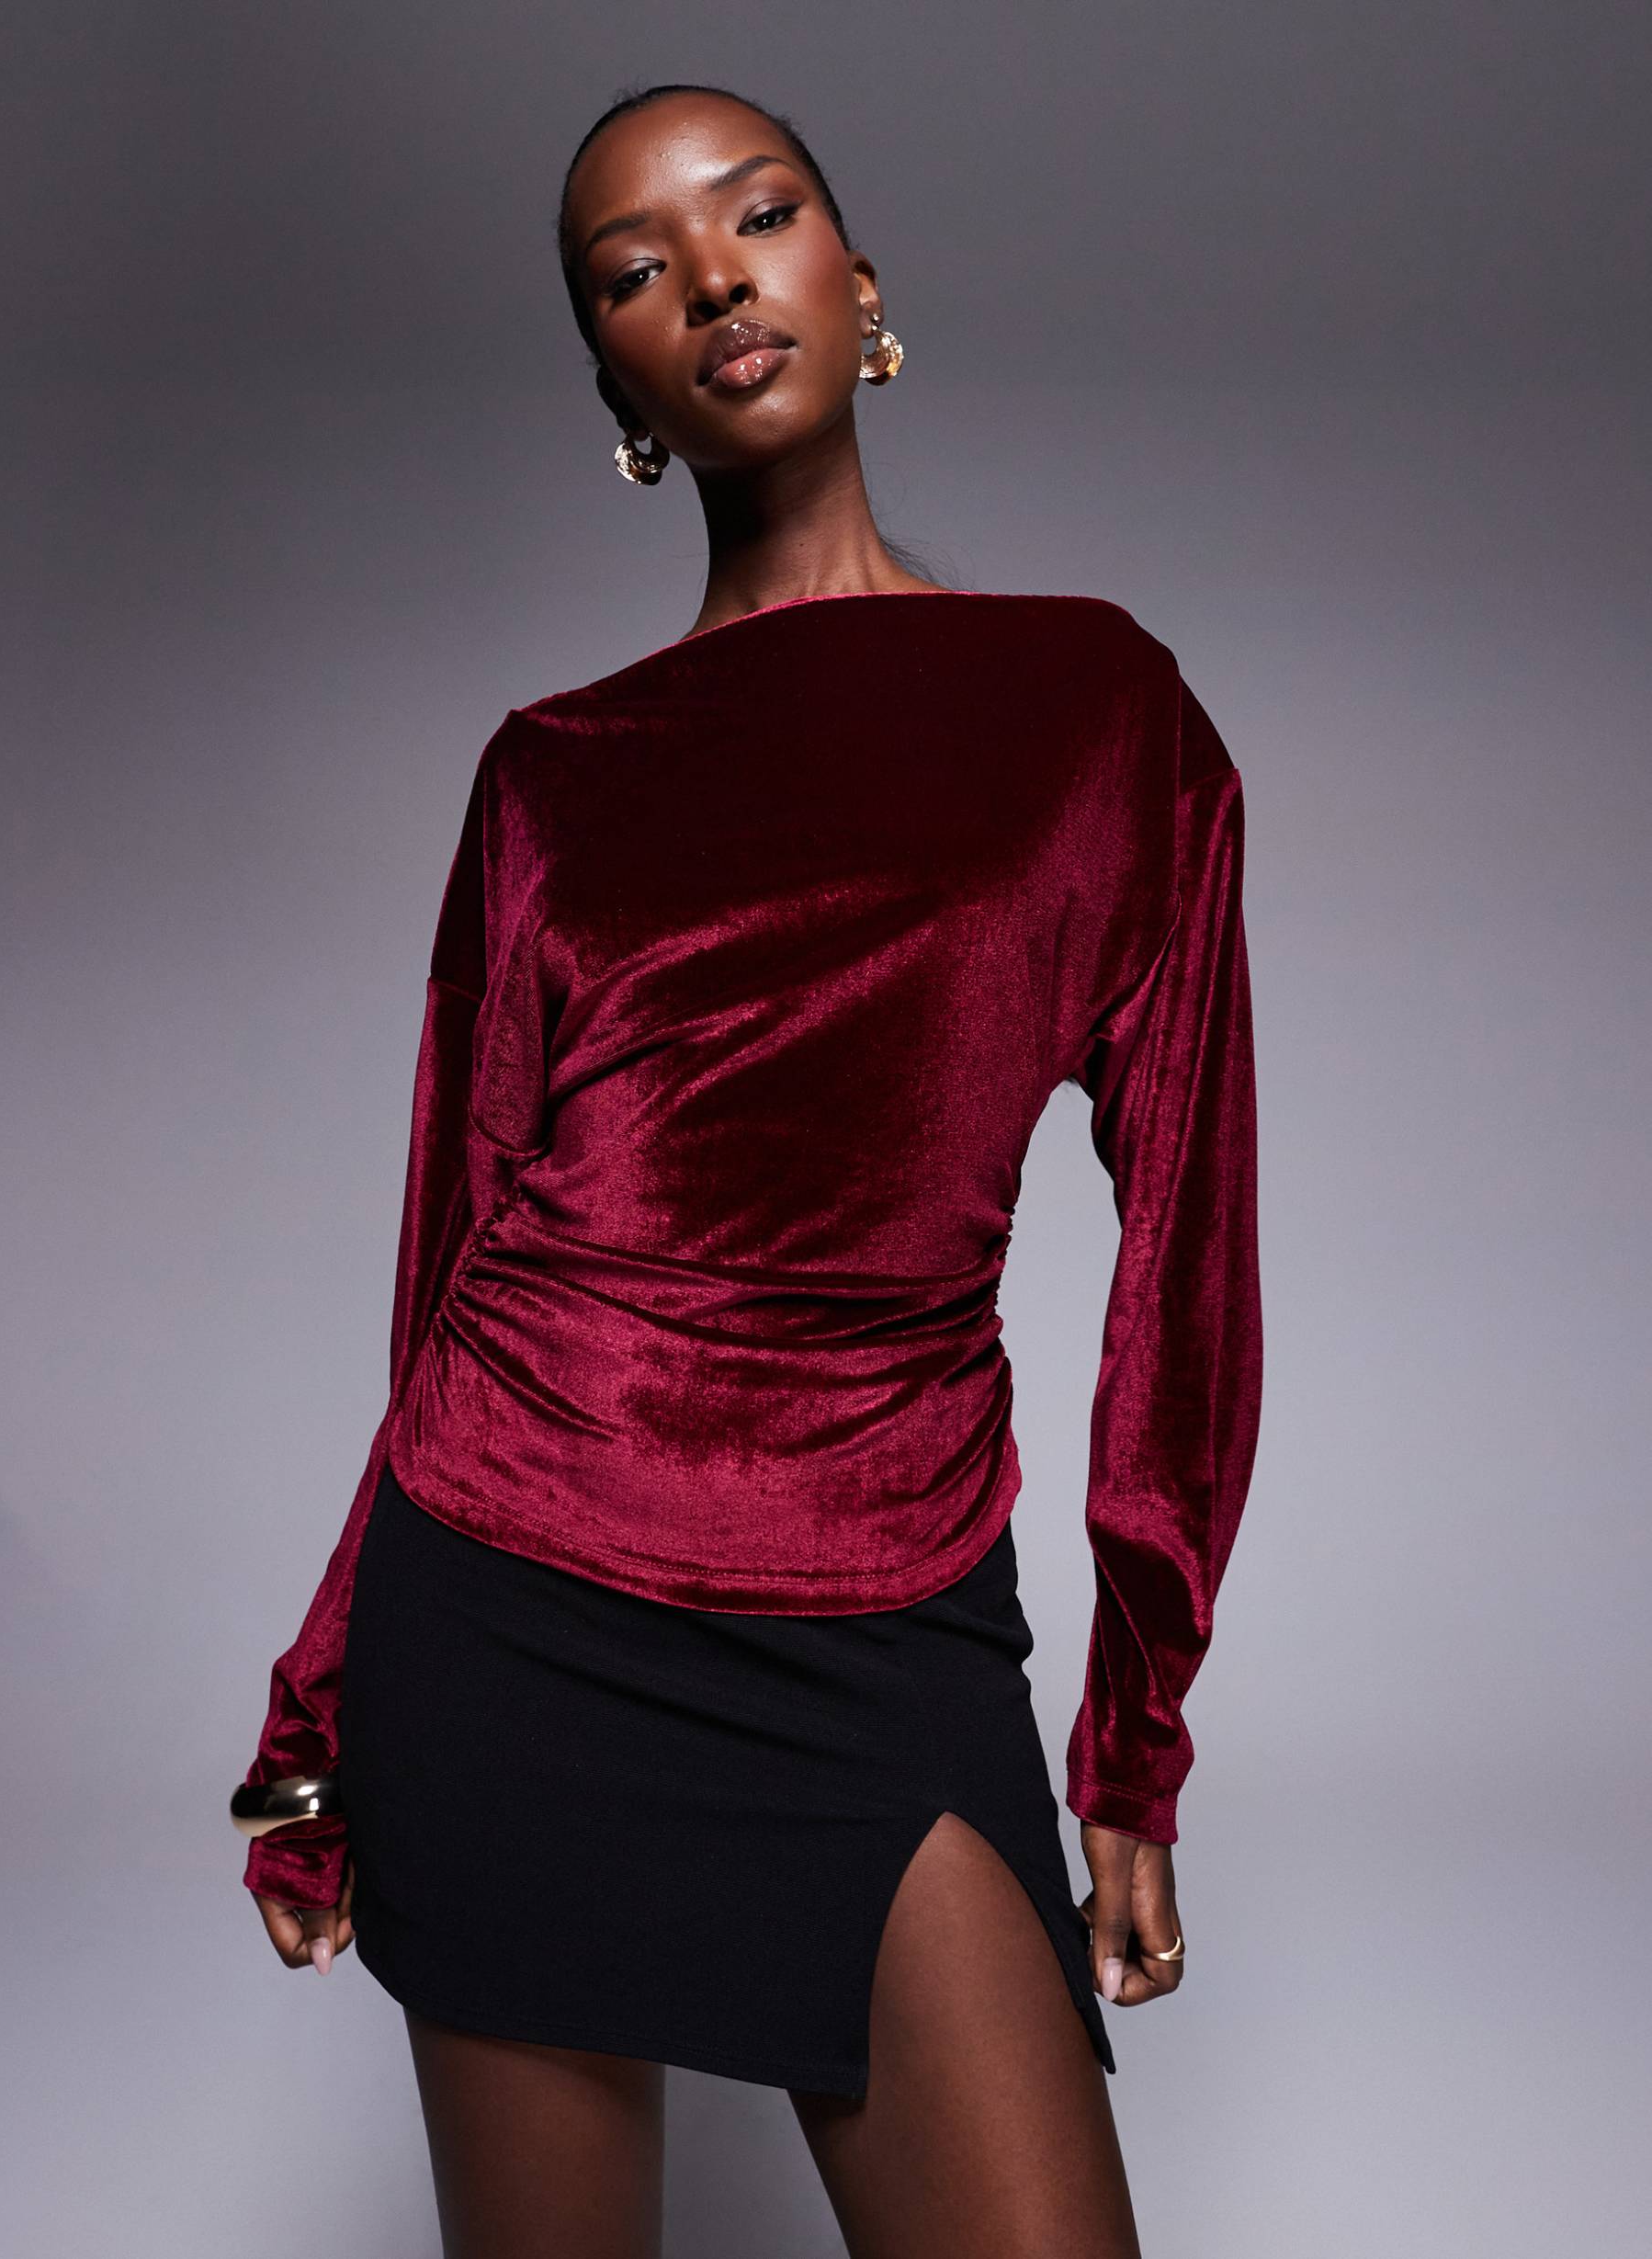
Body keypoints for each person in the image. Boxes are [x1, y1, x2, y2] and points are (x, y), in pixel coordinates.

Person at [232, 79, 1262, 2259]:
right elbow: (450, 1260)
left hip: (887, 1603)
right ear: (618, 388)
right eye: (634, 268)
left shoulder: (1099, 711)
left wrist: (1131, 1735)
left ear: (859, 286)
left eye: (758, 212)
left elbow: (1191, 1245)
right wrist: (320, 1686)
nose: (709, 278)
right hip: (507, 1602)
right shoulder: (556, 777)